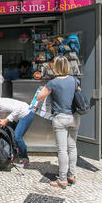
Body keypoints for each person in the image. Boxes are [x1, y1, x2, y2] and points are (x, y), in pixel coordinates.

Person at [36, 56, 80, 189]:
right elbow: (79, 95)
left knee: (62, 150)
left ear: (55, 67)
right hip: (74, 117)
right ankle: (71, 175)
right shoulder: (74, 80)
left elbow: (39, 97)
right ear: (67, 66)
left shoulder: (53, 83)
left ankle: (62, 179)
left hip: (60, 118)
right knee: (72, 147)